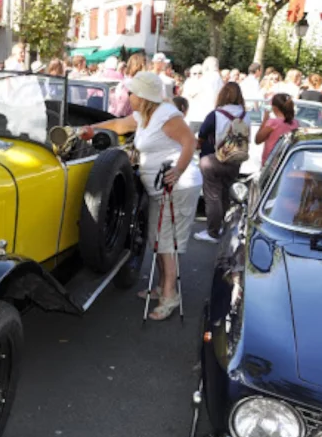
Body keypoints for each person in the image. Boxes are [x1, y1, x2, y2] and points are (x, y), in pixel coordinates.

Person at [91, 72, 202, 319]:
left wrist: (179, 169)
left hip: (178, 187)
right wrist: (88, 129)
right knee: (157, 240)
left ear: (143, 97)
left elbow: (190, 142)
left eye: (132, 92)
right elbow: (119, 125)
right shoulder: (144, 115)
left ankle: (170, 296)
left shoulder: (167, 116)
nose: (128, 95)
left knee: (166, 243)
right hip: (159, 188)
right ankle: (163, 287)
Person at [194, 82, 250, 243]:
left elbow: (202, 134)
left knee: (212, 195)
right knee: (225, 194)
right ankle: (221, 228)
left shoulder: (216, 114)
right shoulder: (245, 115)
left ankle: (212, 232)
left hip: (214, 158)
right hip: (236, 159)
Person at [255, 93, 298, 165]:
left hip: (271, 162)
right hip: (287, 161)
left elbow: (258, 139)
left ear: (275, 107)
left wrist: (265, 119)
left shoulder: (273, 123)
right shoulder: (295, 123)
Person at [108, 52, 146, 117]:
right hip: (126, 120)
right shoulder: (129, 85)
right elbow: (121, 110)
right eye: (145, 66)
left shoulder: (127, 83)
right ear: (141, 66)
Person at [189, 56, 224, 123]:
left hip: (203, 114)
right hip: (215, 112)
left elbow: (193, 94)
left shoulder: (206, 77)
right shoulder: (219, 78)